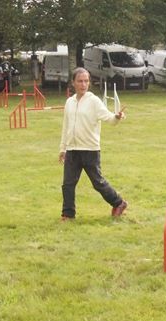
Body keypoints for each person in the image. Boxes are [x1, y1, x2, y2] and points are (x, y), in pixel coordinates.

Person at [59, 67, 127, 221]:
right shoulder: (69, 102)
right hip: (72, 149)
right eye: (80, 81)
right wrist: (63, 149)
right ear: (73, 83)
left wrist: (117, 117)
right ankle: (68, 215)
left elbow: (109, 118)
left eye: (86, 81)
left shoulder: (94, 101)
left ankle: (119, 203)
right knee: (67, 185)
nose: (83, 84)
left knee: (98, 183)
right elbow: (66, 127)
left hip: (90, 149)